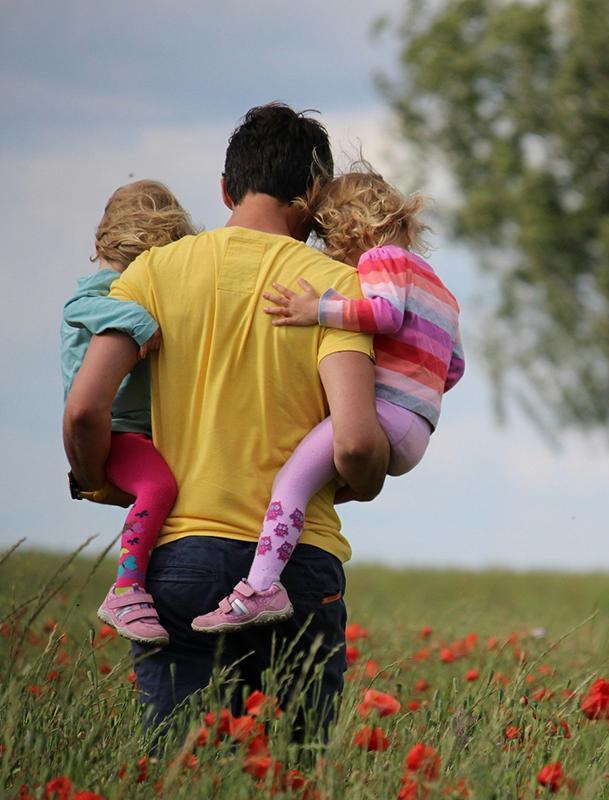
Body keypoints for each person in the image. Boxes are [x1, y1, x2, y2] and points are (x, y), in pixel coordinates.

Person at [63, 103, 389, 728]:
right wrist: (365, 481)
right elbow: (353, 443)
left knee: (181, 771)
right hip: (297, 565)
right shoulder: (334, 287)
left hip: (178, 557)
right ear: (314, 193)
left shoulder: (151, 274)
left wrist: (99, 478)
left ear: (224, 188)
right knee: (293, 771)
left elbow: (83, 409)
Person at [191, 167, 465, 633]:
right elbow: (453, 368)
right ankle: (274, 567)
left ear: (348, 228)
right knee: (314, 481)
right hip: (418, 428)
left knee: (290, 483)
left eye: (327, 237)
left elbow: (383, 313)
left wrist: (315, 309)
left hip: (384, 414)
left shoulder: (381, 260)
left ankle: (260, 588)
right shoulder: (441, 288)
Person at [62, 180, 195, 645]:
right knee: (159, 486)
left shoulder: (126, 284)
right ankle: (127, 588)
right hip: (116, 430)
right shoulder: (106, 289)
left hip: (138, 431)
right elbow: (79, 306)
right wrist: (139, 320)